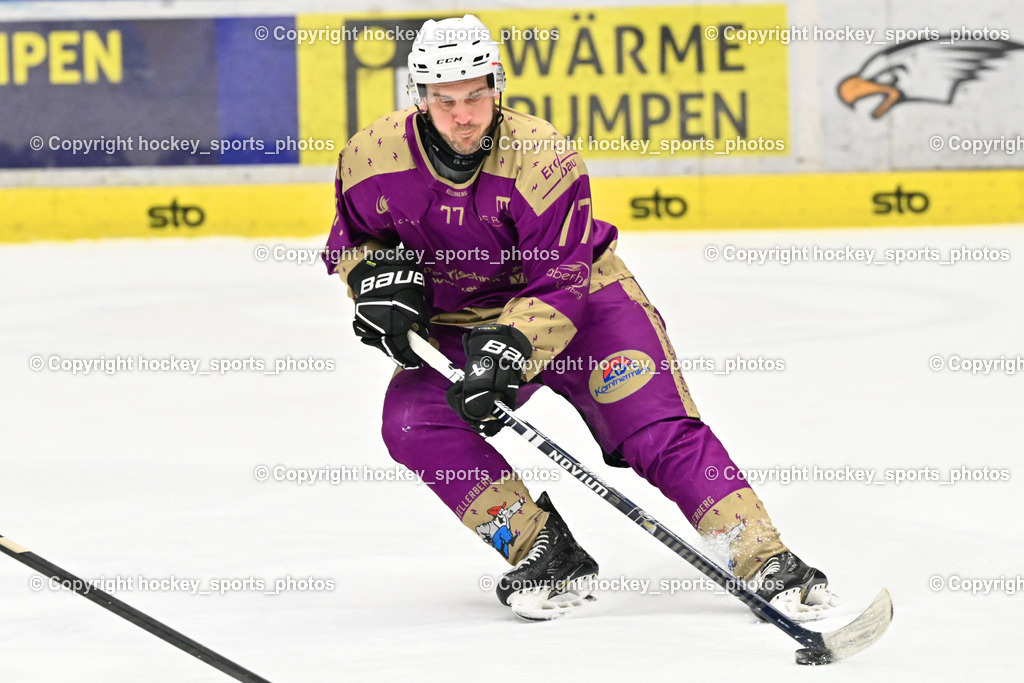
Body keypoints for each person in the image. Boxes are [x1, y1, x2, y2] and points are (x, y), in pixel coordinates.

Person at [323, 14, 828, 619]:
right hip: (459, 326)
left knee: (652, 425)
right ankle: (543, 549)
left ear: (497, 86)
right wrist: (373, 287)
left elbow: (560, 279)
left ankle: (761, 555)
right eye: (445, 100)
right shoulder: (370, 156)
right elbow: (355, 243)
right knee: (412, 421)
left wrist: (509, 349)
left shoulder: (541, 155)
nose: (463, 115)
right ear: (420, 98)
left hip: (585, 306)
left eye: (477, 96)